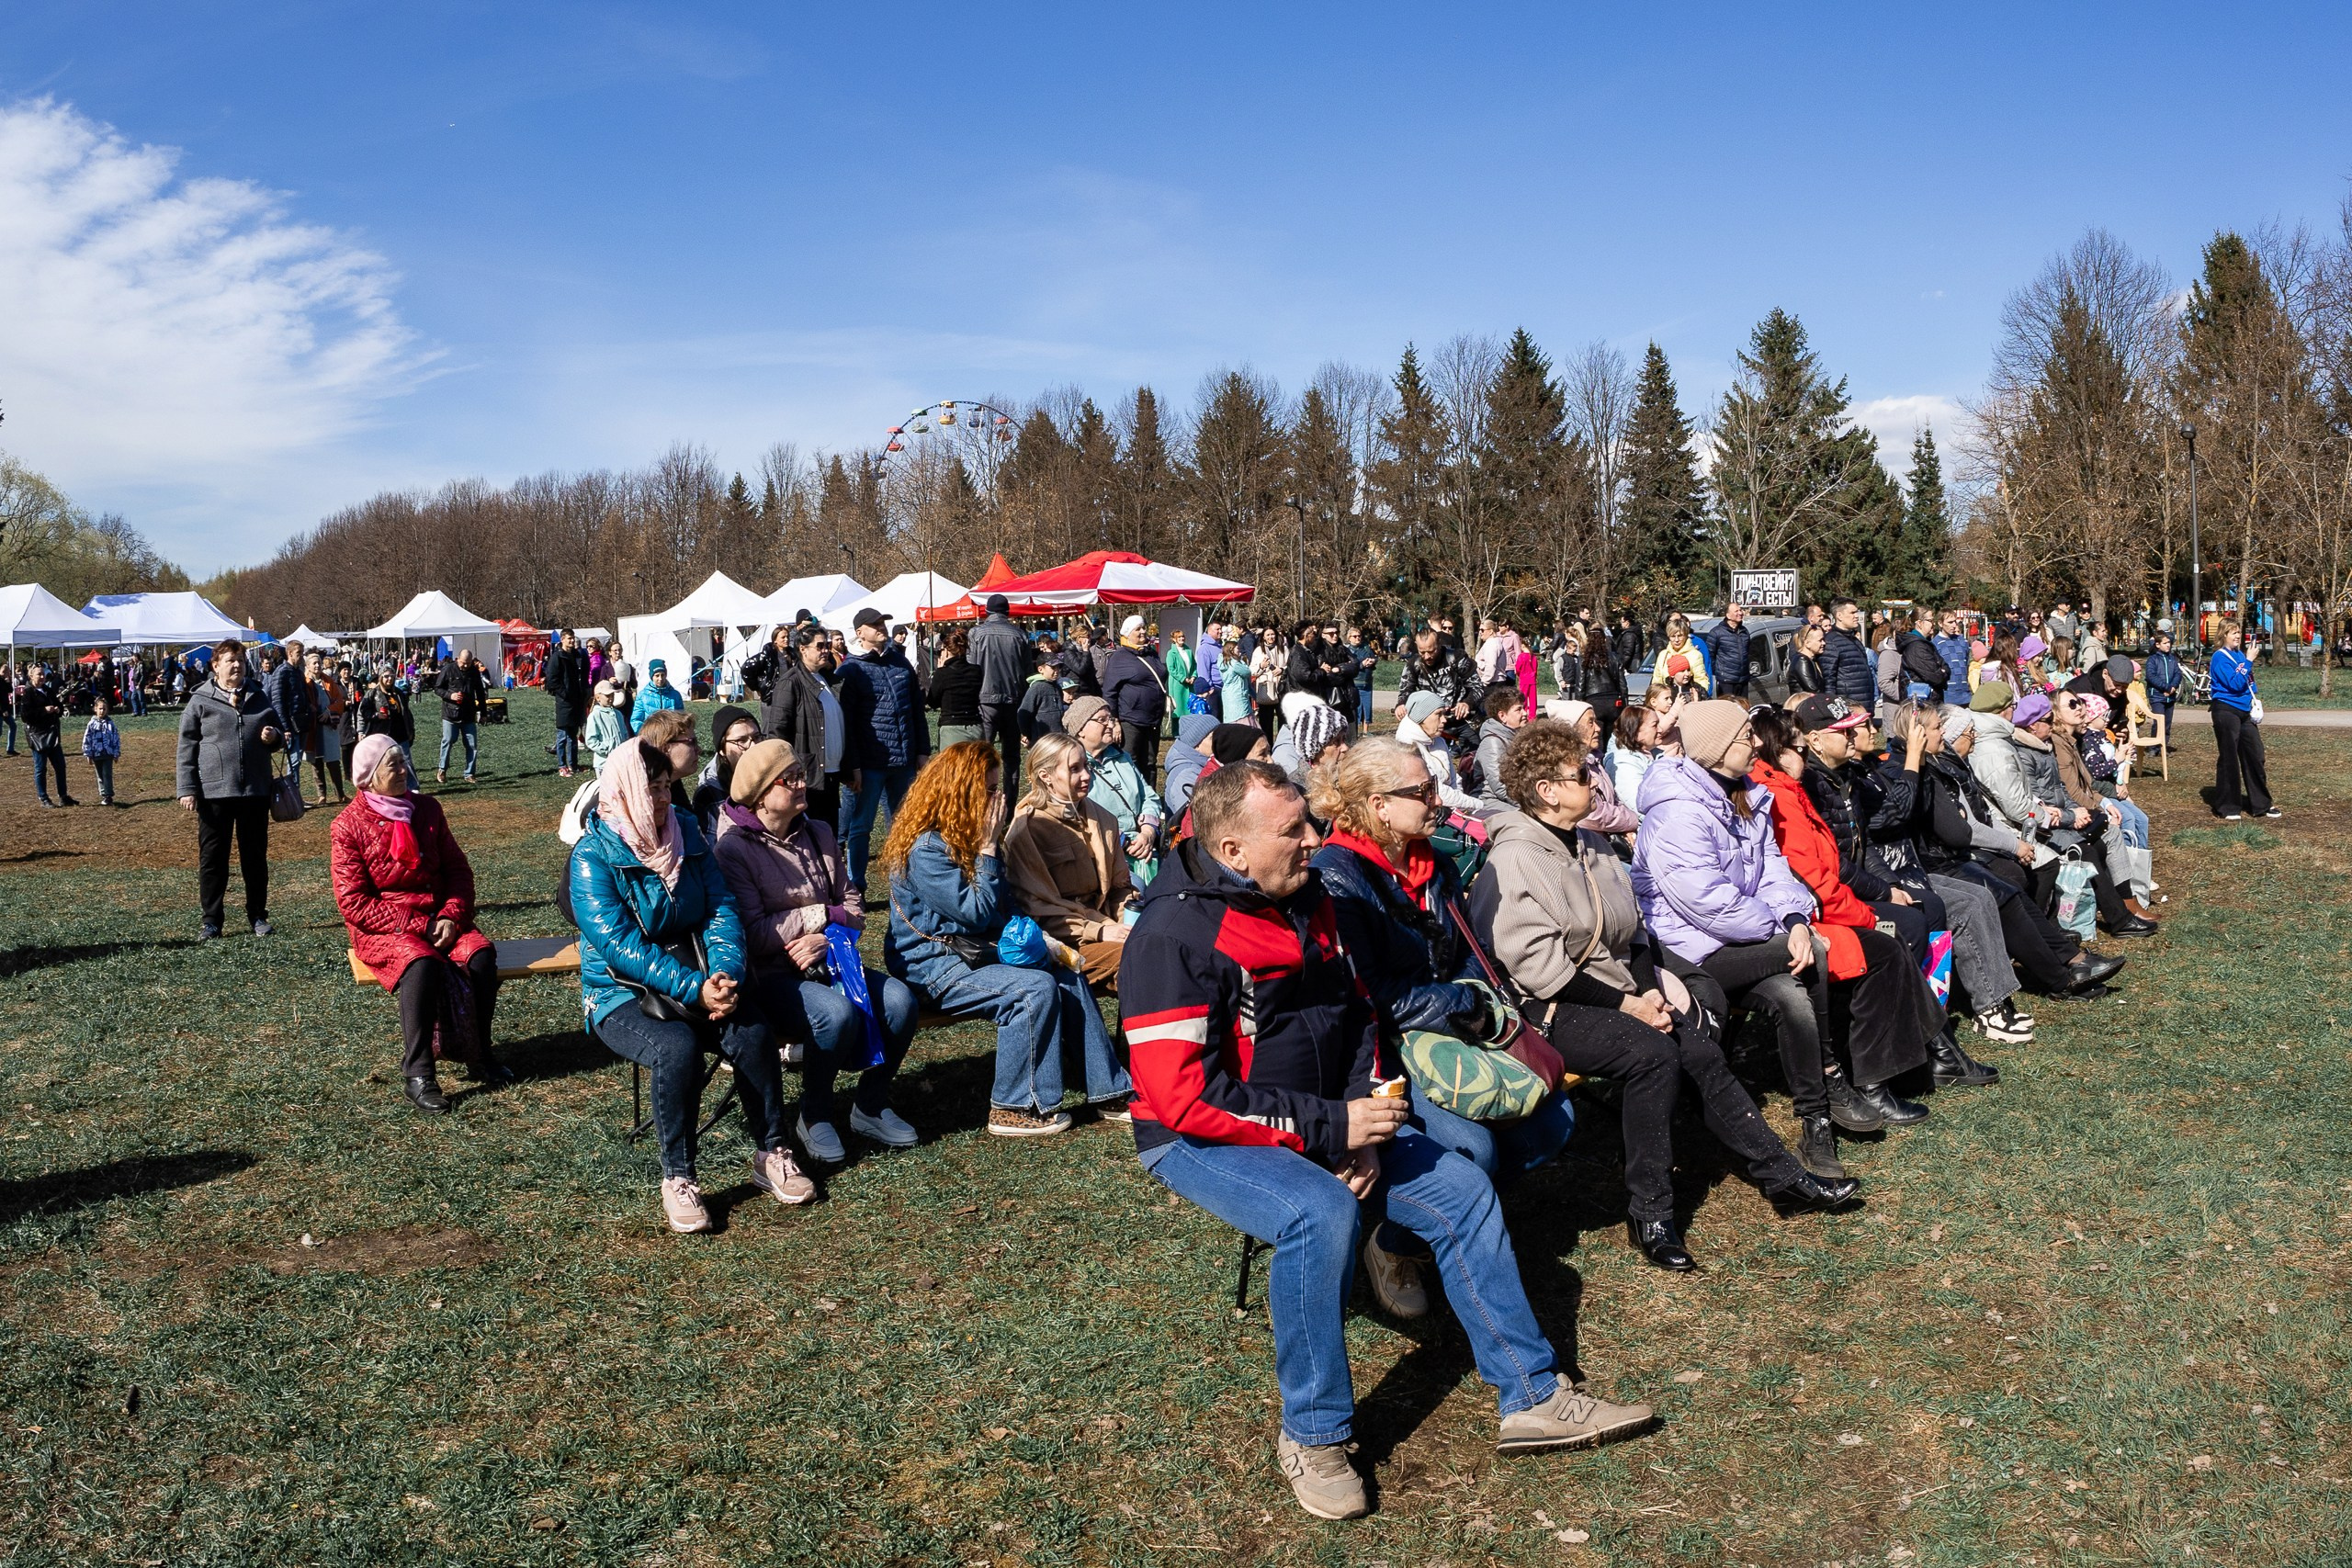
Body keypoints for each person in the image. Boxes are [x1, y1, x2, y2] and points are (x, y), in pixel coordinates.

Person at [1119, 760, 1654, 1520]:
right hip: (1193, 1134)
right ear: (1232, 850)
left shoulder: (1309, 897)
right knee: (1319, 1213)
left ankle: (1532, 1394)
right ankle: (1314, 1433)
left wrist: (1364, 1120)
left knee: (1463, 1187)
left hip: (1325, 1117)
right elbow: (1184, 1097)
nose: (1315, 839)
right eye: (1293, 830)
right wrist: (1332, 1128)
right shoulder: (1170, 936)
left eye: (1310, 820)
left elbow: (1358, 1017)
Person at [1471, 720, 1855, 1269]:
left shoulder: (1591, 844)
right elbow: (1539, 969)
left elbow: (1636, 935)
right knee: (1651, 1055)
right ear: (1546, 791)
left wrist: (1652, 992)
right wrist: (1631, 1005)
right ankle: (1651, 1211)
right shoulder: (1516, 858)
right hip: (1546, 1008)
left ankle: (1784, 1178)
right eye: (1582, 775)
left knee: (1695, 1043)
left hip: (1619, 991)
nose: (1595, 785)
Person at [1308, 738, 1578, 1299]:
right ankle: (1395, 1242)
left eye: (1434, 784)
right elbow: (1372, 993)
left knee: (1557, 1119)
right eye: (1423, 789)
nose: (1438, 798)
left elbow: (1463, 953)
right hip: (1383, 1050)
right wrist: (1462, 1005)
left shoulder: (1436, 863)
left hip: (1455, 1028)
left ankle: (1426, 1229)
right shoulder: (1338, 877)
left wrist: (1488, 1004)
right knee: (1472, 1151)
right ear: (1378, 804)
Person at [1631, 700, 1891, 1180]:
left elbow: (1773, 869)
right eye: (1743, 737)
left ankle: (1815, 1124)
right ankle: (1830, 1079)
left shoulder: (1745, 791)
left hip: (1746, 937)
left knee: (1793, 996)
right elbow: (1709, 904)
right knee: (1812, 948)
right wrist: (1787, 930)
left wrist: (1793, 916)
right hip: (1690, 946)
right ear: (1713, 751)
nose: (1756, 743)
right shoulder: (1678, 814)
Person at [573, 730, 810, 1233]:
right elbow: (620, 947)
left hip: (700, 975)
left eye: (665, 786)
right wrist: (693, 989)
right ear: (624, 789)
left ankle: (771, 1151)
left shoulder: (685, 830)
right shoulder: (593, 856)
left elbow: (721, 907)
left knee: (750, 1028)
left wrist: (724, 974)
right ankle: (678, 1177)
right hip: (620, 991)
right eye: (651, 787)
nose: (662, 798)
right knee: (676, 1047)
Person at [883, 739, 1131, 1136]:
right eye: (990, 790)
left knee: (1065, 972)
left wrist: (1043, 943)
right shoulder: (927, 848)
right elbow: (976, 912)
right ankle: (1015, 1107)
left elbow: (1003, 907)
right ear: (960, 792)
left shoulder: (968, 835)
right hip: (933, 965)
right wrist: (986, 848)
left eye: (999, 789)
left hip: (978, 954)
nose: (999, 799)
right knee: (1033, 988)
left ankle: (1108, 1088)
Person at [713, 738, 920, 1165]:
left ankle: (871, 1104)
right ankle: (815, 1114)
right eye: (789, 779)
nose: (802, 783)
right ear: (761, 795)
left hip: (831, 959)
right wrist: (818, 916)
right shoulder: (733, 850)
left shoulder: (820, 832)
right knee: (834, 1015)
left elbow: (855, 907)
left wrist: (824, 936)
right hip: (769, 976)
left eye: (800, 774)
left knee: (901, 1002)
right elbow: (750, 933)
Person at [1744, 705, 1948, 1122]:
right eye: (1799, 747)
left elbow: (1831, 864)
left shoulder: (1794, 789)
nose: (1804, 755)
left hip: (1815, 908)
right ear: (1781, 752)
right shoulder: (1781, 796)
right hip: (1799, 919)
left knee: (1911, 923)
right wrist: (1868, 913)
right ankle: (1889, 1072)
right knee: (1890, 943)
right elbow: (1814, 876)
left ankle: (1927, 1055)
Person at [333, 732, 510, 1112]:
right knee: (421, 962)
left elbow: (458, 871)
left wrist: (451, 915)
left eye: (402, 760)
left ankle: (479, 1053)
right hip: (384, 926)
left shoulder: (428, 809)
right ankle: (419, 1072)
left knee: (480, 955)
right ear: (369, 776)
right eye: (392, 764)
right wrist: (419, 926)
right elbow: (354, 903)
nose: (403, 769)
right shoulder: (348, 825)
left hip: (439, 916)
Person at [1004, 731, 1139, 991]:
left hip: (1109, 929)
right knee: (1139, 960)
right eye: (1074, 769)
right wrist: (1098, 931)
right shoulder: (1028, 830)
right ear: (1046, 776)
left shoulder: (1103, 819)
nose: (1087, 775)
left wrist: (1127, 924)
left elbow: (1120, 887)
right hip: (1064, 942)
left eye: (1086, 766)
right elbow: (1037, 907)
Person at [176, 637, 286, 940]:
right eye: (230, 660)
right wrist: (187, 787)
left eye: (240, 660)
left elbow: (281, 738)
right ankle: (211, 921)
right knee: (213, 859)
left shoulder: (259, 696)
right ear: (215, 666)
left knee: (255, 858)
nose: (237, 665)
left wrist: (273, 736)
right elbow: (186, 746)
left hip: (254, 792)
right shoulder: (200, 699)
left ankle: (258, 917)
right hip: (214, 795)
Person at [838, 606, 933, 891]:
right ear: (859, 632)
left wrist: (922, 750)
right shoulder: (851, 669)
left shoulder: (900, 664)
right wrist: (853, 764)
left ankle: (903, 881)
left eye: (882, 622)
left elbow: (916, 710)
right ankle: (856, 885)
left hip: (903, 760)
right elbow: (848, 723)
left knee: (903, 824)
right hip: (870, 762)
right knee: (861, 826)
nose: (881, 627)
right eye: (874, 624)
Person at [1063, 694, 1166, 886]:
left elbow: (1149, 796)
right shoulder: (1071, 768)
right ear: (1081, 729)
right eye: (1102, 720)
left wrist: (1148, 831)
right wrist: (1124, 842)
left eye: (1110, 719)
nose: (1110, 724)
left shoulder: (1121, 757)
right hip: (1103, 858)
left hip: (1142, 846)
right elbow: (1072, 817)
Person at [2208, 620, 2276, 821]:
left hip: (2244, 711)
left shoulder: (2239, 655)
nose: (2237, 636)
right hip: (2225, 710)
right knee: (2229, 758)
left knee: (2255, 754)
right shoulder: (2220, 658)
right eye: (2232, 633)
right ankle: (2228, 806)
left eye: (2238, 632)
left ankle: (2261, 804)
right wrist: (2248, 661)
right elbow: (2235, 683)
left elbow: (2249, 684)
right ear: (2223, 635)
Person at [1395, 692, 1486, 817]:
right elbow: (1435, 790)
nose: (1444, 720)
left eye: (1444, 714)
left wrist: (1457, 806)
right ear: (1421, 716)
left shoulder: (1438, 740)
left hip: (1451, 807)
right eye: (1438, 714)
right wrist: (1477, 805)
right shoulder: (1407, 747)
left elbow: (1454, 779)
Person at [692, 705, 763, 834]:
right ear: (721, 749)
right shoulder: (709, 794)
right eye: (742, 740)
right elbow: (712, 848)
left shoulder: (774, 776)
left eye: (757, 737)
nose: (753, 746)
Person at [431, 648, 489, 784]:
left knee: (472, 745)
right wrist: (450, 695)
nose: (465, 665)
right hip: (450, 713)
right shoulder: (448, 669)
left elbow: (480, 692)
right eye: (463, 662)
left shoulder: (474, 671)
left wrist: (484, 713)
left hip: (468, 714)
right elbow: (437, 688)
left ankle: (469, 773)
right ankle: (442, 769)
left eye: (468, 663)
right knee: (448, 741)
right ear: (457, 659)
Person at [1472, 682, 1531, 814]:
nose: (1525, 713)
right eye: (1518, 709)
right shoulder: (1493, 743)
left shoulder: (1516, 737)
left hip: (1511, 797)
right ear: (1502, 716)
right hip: (1488, 800)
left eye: (1524, 708)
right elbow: (1500, 786)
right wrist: (1532, 805)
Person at [263, 644, 313, 792]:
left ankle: (295, 793)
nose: (301, 656)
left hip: (301, 721)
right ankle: (292, 794)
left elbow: (302, 695)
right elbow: (278, 702)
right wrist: (284, 727)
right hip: (290, 724)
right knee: (294, 761)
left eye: (302, 652)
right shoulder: (281, 672)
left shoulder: (298, 672)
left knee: (297, 761)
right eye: (299, 653)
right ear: (290, 653)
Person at [1269, 698, 1350, 790]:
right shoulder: (1297, 789)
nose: (1345, 748)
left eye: (1344, 739)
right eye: (1336, 742)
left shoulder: (1349, 776)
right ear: (1314, 750)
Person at [21, 661, 73, 806]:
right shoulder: (28, 693)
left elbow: (60, 706)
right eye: (39, 674)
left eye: (43, 674)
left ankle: (63, 796)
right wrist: (44, 710)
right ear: (31, 676)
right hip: (38, 736)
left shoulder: (48, 690)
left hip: (53, 735)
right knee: (40, 768)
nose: (42, 676)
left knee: (60, 766)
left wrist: (57, 709)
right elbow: (25, 716)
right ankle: (43, 797)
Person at [926, 626, 985, 747]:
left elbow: (932, 702)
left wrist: (939, 672)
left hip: (951, 727)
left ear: (946, 650)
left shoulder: (943, 673)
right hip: (975, 725)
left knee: (952, 765)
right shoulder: (976, 671)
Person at [548, 628, 592, 778]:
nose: (572, 641)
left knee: (572, 734)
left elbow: (583, 675)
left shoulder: (578, 656)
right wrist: (564, 693)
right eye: (569, 639)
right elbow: (552, 680)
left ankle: (573, 764)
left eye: (573, 638)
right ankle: (562, 766)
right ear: (562, 640)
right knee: (562, 735)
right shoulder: (557, 657)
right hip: (564, 701)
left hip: (577, 700)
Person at [307, 652, 350, 803]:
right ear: (308, 666)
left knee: (333, 761)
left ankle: (340, 794)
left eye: (319, 662)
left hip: (328, 727)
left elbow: (339, 700)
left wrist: (329, 711)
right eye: (314, 663)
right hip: (313, 728)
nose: (317, 665)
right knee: (316, 762)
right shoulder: (304, 682)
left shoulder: (329, 681)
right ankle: (322, 795)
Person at [1160, 712, 1221, 816]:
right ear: (1196, 744)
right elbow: (1195, 818)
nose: (1219, 740)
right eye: (1212, 738)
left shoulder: (1203, 763)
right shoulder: (1186, 776)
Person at [1820, 598, 1875, 711]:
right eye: (1852, 613)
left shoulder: (1854, 640)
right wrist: (1833, 708)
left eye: (1857, 612)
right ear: (1839, 616)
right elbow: (1828, 679)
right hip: (1848, 708)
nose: (1857, 616)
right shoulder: (1832, 641)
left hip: (1864, 705)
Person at [1577, 622, 1627, 728]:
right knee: (1611, 737)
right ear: (1604, 640)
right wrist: (1624, 702)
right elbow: (1622, 683)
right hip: (1612, 700)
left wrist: (1579, 703)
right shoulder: (1614, 657)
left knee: (1596, 736)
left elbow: (1580, 684)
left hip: (1593, 700)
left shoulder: (1584, 659)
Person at [2143, 630, 2182, 756]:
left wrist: (2173, 687)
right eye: (2165, 643)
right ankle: (2153, 748)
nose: (2168, 645)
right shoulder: (2152, 659)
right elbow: (2151, 676)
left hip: (2170, 697)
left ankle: (2163, 747)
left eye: (2169, 642)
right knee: (2158, 722)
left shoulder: (2172, 658)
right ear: (2158, 645)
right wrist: (2165, 687)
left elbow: (2178, 673)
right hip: (2157, 696)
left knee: (2167, 724)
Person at [1655, 615, 1713, 699]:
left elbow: (1701, 681)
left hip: (1689, 700)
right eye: (1673, 636)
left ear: (1686, 635)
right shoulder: (1663, 655)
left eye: (1680, 635)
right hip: (1666, 701)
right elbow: (1656, 681)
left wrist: (1696, 698)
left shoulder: (1695, 655)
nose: (1677, 640)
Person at [81, 694, 122, 807]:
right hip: (96, 754)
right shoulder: (91, 724)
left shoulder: (110, 724)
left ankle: (109, 795)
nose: (102, 711)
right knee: (100, 775)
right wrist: (88, 753)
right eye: (100, 708)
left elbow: (116, 738)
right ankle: (103, 794)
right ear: (95, 709)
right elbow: (87, 739)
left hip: (108, 753)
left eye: (104, 709)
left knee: (107, 774)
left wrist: (116, 752)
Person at [1708, 604, 1753, 699]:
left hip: (1743, 679)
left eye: (1740, 610)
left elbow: (1748, 652)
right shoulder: (1716, 633)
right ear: (1728, 615)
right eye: (1736, 611)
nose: (1740, 613)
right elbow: (1710, 656)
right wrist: (1719, 672)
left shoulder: (1745, 632)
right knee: (1727, 710)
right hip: (1726, 681)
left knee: (1743, 710)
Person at [628, 657, 684, 733]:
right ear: (652, 677)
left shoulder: (675, 695)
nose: (660, 679)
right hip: (650, 737)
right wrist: (643, 734)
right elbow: (636, 720)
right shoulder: (642, 696)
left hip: (670, 736)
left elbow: (681, 717)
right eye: (657, 675)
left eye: (662, 675)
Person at [585, 680, 628, 773]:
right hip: (604, 763)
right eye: (607, 696)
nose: (611, 698)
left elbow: (625, 734)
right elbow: (591, 740)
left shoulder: (618, 714)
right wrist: (607, 750)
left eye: (612, 695)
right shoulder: (595, 715)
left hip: (620, 762)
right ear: (598, 697)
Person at [1162, 626, 1196, 740]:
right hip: (1177, 685)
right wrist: (1183, 678)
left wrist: (1193, 676)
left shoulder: (1188, 650)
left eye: (1183, 636)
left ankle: (1187, 731)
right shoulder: (1171, 653)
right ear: (1174, 639)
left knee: (1188, 708)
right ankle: (1176, 733)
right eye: (1179, 637)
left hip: (1189, 684)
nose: (1182, 638)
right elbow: (1171, 669)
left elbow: (1194, 666)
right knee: (1178, 708)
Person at [1345, 626, 1380, 727]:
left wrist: (1373, 661)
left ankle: (1366, 731)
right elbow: (1348, 665)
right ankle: (1354, 729)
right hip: (1354, 683)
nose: (1357, 638)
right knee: (1356, 708)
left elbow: (1374, 657)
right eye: (1355, 636)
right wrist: (1361, 665)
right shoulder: (1347, 650)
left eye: (1359, 636)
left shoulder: (1366, 647)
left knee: (1367, 708)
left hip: (1367, 682)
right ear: (1349, 638)